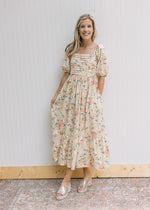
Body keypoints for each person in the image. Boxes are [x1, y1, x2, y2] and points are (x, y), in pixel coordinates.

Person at [50, 13, 110, 200]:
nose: (86, 29)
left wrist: (97, 99)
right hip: (71, 98)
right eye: (82, 26)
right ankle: (87, 175)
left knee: (85, 134)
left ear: (93, 29)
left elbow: (102, 76)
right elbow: (66, 75)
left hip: (89, 98)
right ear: (78, 29)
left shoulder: (99, 50)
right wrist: (57, 94)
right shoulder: (71, 49)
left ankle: (66, 180)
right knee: (76, 134)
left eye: (89, 26)